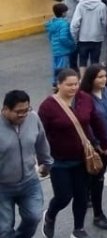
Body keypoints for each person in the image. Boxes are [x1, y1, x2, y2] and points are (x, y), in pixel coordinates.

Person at [38, 69, 107, 238]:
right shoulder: (48, 106)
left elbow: (95, 121)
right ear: (59, 84)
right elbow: (40, 134)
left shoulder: (84, 99)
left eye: (76, 84)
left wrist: (103, 143)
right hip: (58, 160)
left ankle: (78, 229)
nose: (73, 88)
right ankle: (50, 215)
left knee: (81, 195)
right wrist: (42, 159)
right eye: (69, 84)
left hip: (82, 158)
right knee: (63, 196)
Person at [0, 90, 52, 238]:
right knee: (4, 229)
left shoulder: (33, 118)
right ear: (5, 109)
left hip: (29, 182)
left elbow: (42, 141)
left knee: (34, 217)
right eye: (18, 112)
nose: (23, 115)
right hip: (2, 186)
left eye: (26, 110)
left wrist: (46, 163)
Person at [79, 65, 107, 231]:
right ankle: (98, 214)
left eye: (104, 76)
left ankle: (94, 206)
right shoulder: (84, 98)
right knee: (96, 179)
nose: (103, 79)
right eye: (99, 77)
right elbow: (86, 124)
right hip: (94, 146)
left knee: (98, 178)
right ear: (91, 79)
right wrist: (98, 144)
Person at [70, 0, 107, 74]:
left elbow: (75, 24)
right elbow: (105, 22)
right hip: (97, 38)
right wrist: (104, 34)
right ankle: (93, 79)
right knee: (95, 61)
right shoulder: (102, 6)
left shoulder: (80, 5)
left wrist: (75, 37)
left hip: (83, 37)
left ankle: (82, 80)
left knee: (82, 61)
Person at [46, 3, 76, 88]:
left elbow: (50, 36)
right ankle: (60, 82)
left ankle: (55, 81)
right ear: (63, 13)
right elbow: (63, 38)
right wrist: (72, 44)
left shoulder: (52, 23)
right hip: (63, 50)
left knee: (56, 66)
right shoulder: (64, 24)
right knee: (63, 67)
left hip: (56, 49)